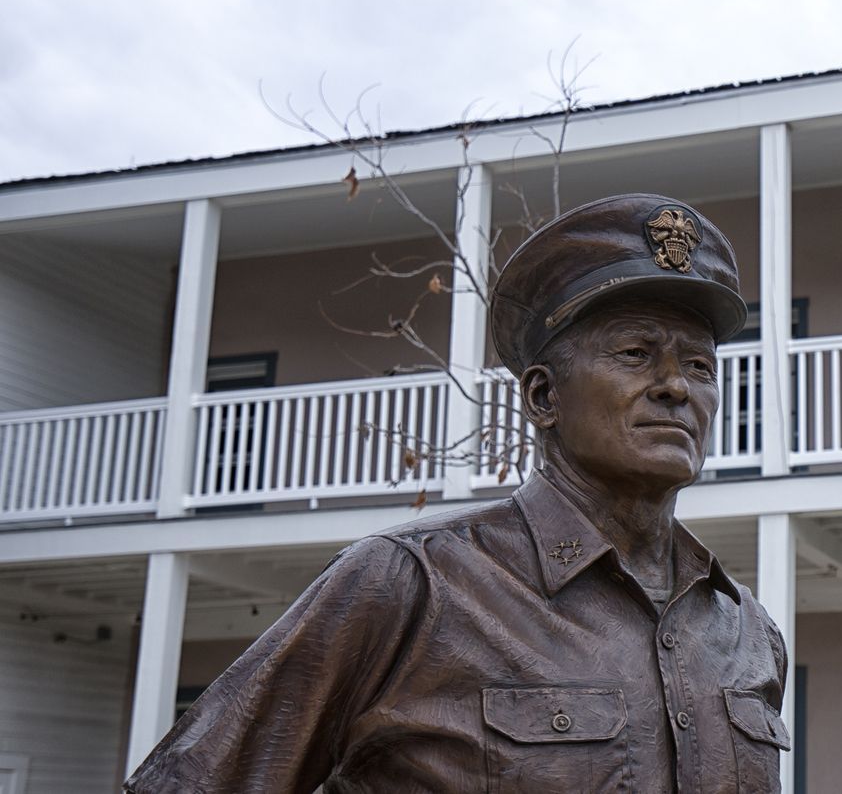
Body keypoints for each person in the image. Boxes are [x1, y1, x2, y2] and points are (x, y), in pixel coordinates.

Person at [125, 194, 790, 793]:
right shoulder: (407, 583)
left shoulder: (748, 631)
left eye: (699, 366)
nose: (677, 386)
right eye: (636, 354)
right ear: (542, 396)